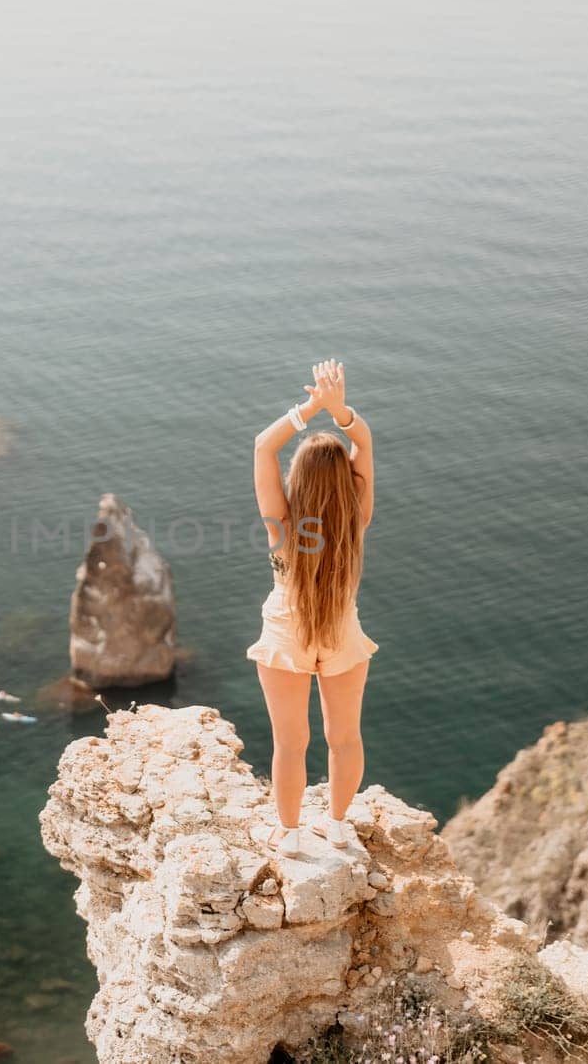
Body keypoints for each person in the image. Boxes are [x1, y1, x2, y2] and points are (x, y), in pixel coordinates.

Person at [247, 360, 377, 856]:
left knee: (290, 741)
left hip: (286, 632)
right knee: (344, 738)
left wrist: (309, 410)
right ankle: (339, 825)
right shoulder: (356, 517)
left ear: (296, 477)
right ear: (347, 480)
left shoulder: (281, 522)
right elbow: (364, 444)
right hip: (342, 630)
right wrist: (341, 411)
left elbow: (263, 445)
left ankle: (290, 833)